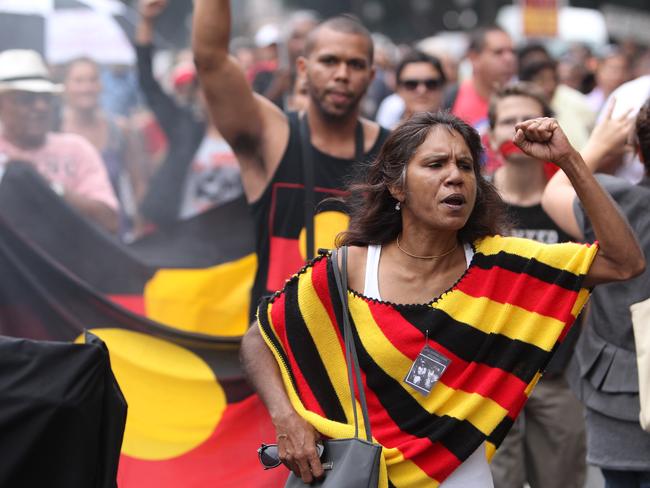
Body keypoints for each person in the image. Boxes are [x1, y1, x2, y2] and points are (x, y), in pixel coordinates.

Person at [241, 111, 644, 487]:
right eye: (435, 165)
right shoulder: (351, 268)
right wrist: (286, 418)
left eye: (465, 166)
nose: (455, 177)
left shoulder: (505, 267)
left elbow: (624, 263)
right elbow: (258, 339)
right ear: (397, 185)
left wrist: (569, 160)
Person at [192, 0, 390, 320]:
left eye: (354, 65)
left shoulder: (392, 151)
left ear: (371, 76)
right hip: (274, 348)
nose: (341, 74)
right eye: (329, 61)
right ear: (302, 69)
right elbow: (210, 60)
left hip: (363, 347)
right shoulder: (271, 136)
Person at [543, 99, 650, 488]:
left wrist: (599, 144)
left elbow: (554, 190)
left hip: (616, 395)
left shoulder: (614, 203)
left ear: (637, 151)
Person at [487, 83, 587, 488]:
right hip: (489, 375)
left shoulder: (568, 203)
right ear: (491, 133)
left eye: (529, 119)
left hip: (558, 375)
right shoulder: (474, 199)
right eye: (507, 120)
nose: (519, 128)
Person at [136, 0, 243, 227]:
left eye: (220, 85)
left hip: (237, 242)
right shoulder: (183, 126)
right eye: (204, 87)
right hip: (185, 238)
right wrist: (147, 22)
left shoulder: (248, 133)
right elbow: (148, 84)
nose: (212, 93)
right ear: (196, 94)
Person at [0, 49, 119, 234]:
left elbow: (110, 221)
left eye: (46, 98)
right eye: (26, 99)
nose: (41, 107)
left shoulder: (76, 149)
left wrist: (49, 188)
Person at [60, 56, 150, 240]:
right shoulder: (54, 130)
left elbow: (139, 183)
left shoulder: (120, 130)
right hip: (66, 235)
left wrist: (141, 228)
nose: (86, 87)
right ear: (65, 87)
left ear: (101, 85)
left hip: (113, 233)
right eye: (78, 81)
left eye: (93, 80)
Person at [376, 50, 446, 130]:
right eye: (411, 84)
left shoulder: (458, 138)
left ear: (443, 86)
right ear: (398, 89)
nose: (422, 90)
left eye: (431, 83)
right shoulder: (386, 140)